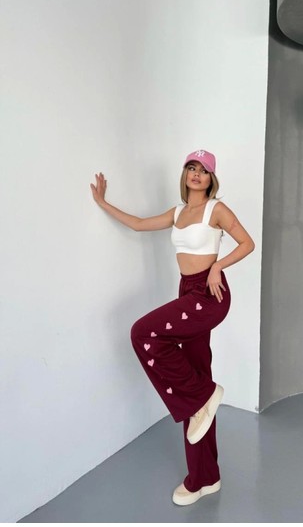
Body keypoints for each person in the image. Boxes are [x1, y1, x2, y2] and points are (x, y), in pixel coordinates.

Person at [90, 149, 255, 506]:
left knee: (142, 333)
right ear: (185, 174)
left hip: (209, 293)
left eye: (203, 170)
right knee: (195, 379)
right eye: (191, 168)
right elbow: (138, 224)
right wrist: (103, 203)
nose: (196, 174)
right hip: (186, 292)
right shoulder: (178, 213)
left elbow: (247, 243)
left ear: (211, 178)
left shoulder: (216, 209)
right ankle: (205, 477)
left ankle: (203, 397)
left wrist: (217, 266)